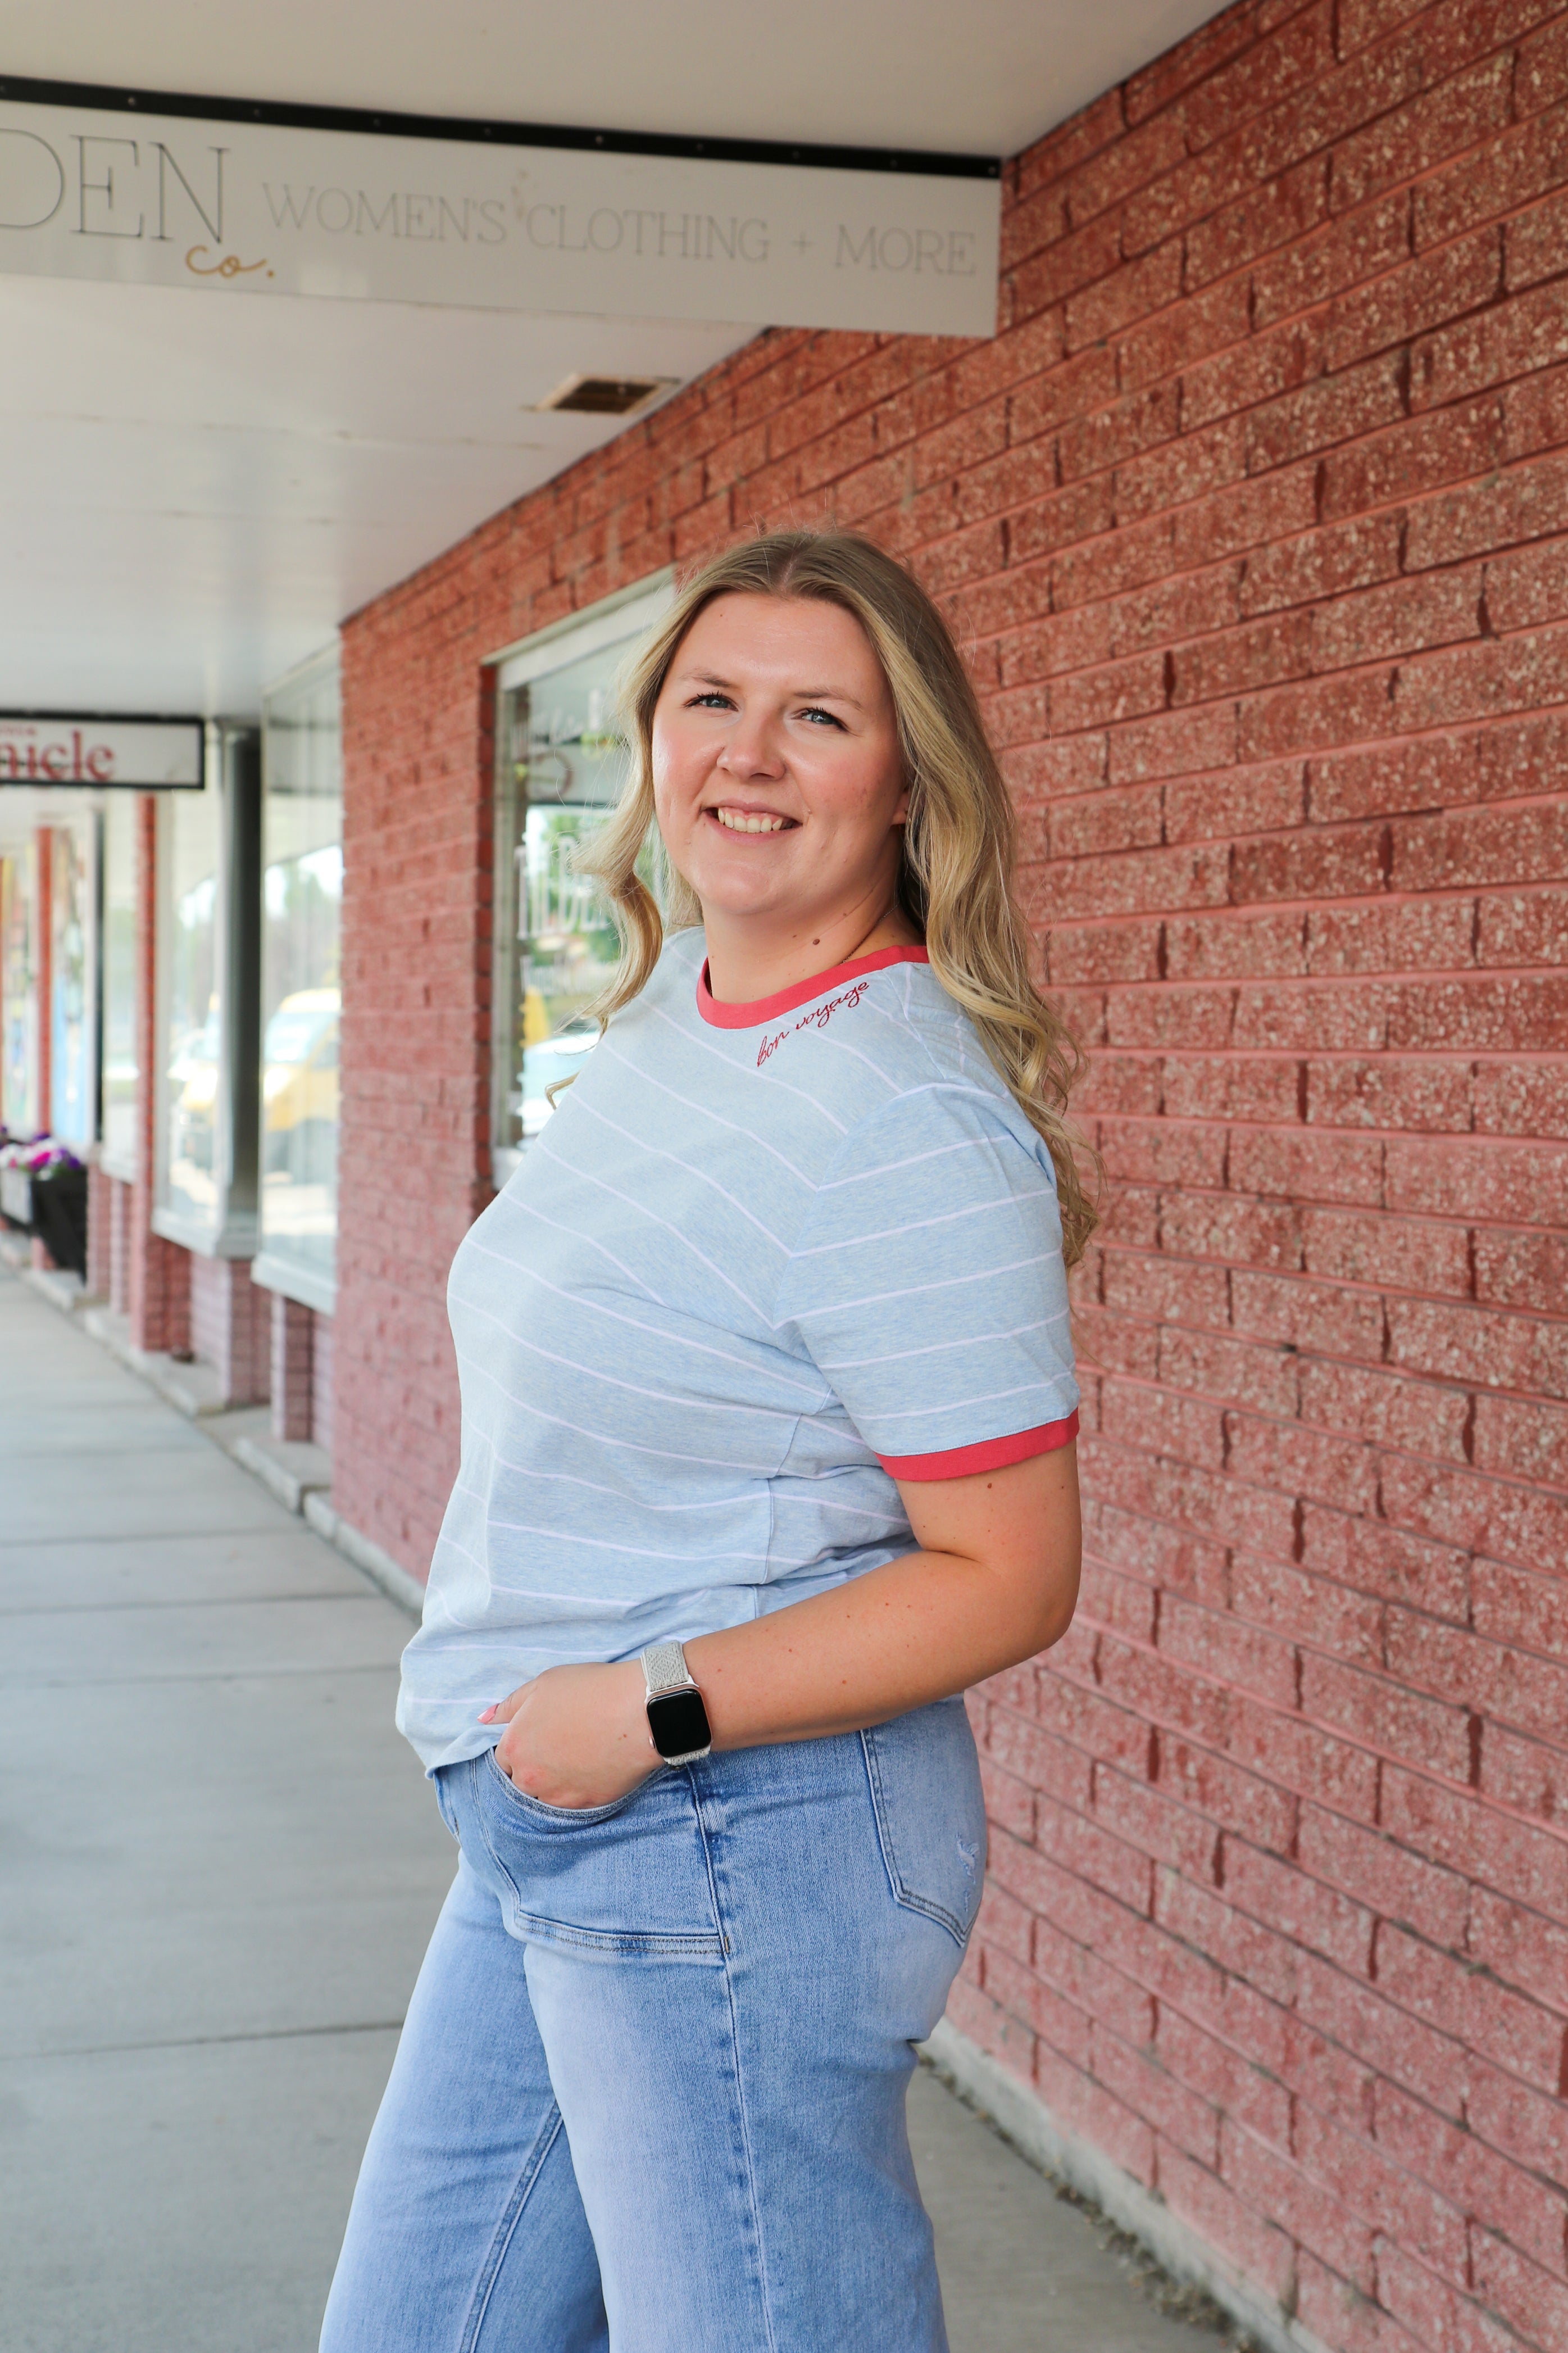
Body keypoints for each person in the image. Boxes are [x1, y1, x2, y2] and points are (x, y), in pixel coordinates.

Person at [320, 530, 1097, 2353]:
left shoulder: (901, 1118)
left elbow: (1014, 1572)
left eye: (817, 714)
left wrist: (642, 1705)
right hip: (554, 1819)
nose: (749, 754)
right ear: (654, 737)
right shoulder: (681, 1014)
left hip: (735, 1839)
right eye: (712, 701)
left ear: (909, 779)